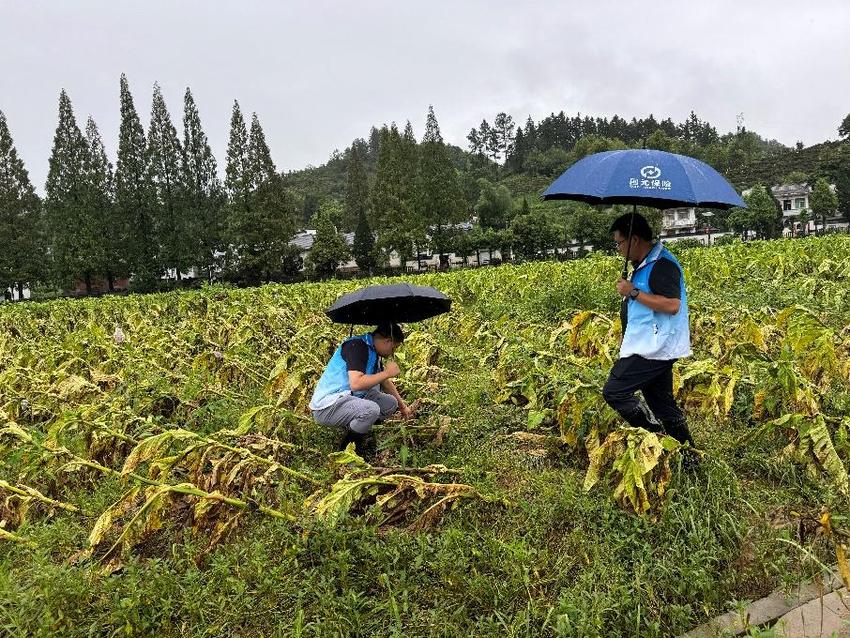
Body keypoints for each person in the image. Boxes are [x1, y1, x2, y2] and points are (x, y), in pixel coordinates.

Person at [602, 212, 695, 447]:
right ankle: (689, 456)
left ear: (634, 240)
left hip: (654, 348)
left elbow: (672, 305)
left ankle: (654, 434)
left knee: (614, 391)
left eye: (619, 243)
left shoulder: (662, 265)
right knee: (663, 405)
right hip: (650, 344)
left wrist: (632, 292)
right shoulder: (643, 264)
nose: (618, 248)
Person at [309, 323, 413, 454]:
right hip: (328, 406)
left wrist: (402, 406)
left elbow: (384, 382)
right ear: (388, 341)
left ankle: (359, 429)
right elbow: (356, 383)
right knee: (371, 410)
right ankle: (348, 450)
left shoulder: (374, 351)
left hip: (350, 398)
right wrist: (387, 372)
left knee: (390, 403)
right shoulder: (357, 346)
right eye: (394, 348)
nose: (392, 353)